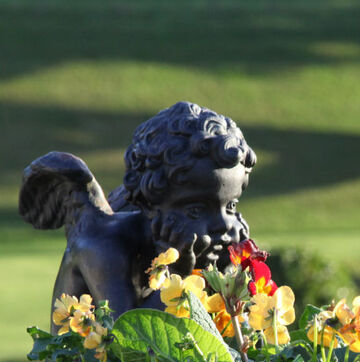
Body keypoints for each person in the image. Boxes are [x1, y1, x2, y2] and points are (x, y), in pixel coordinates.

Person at [19, 102, 256, 325]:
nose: (222, 226)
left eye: (231, 206)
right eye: (196, 209)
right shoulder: (103, 246)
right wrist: (175, 274)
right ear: (151, 203)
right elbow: (131, 346)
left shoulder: (194, 246)